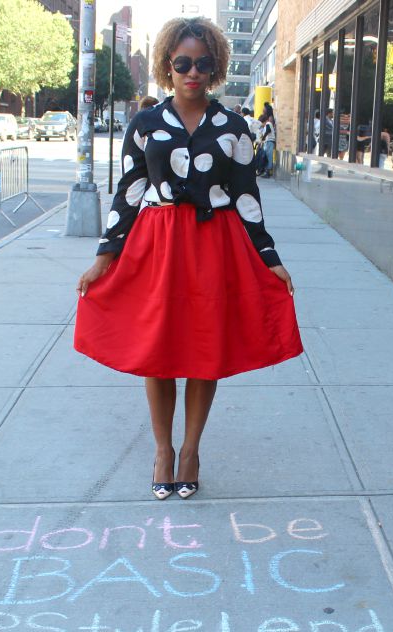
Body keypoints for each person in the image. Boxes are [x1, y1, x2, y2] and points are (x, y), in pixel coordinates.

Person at [74, 16, 303, 501]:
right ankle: (162, 449)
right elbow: (129, 193)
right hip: (157, 246)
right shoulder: (146, 123)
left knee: (204, 351)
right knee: (157, 351)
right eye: (183, 63)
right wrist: (104, 257)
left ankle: (191, 450)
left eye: (202, 63)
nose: (192, 72)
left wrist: (268, 256)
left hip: (213, 246)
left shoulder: (234, 126)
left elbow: (246, 195)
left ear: (216, 67)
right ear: (167, 66)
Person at [260, 112, 276, 178]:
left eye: (262, 123)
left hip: (269, 141)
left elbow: (268, 130)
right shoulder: (268, 124)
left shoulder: (268, 123)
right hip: (268, 141)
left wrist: (263, 138)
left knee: (268, 157)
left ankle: (268, 172)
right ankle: (267, 171)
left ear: (264, 121)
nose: (262, 124)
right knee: (267, 156)